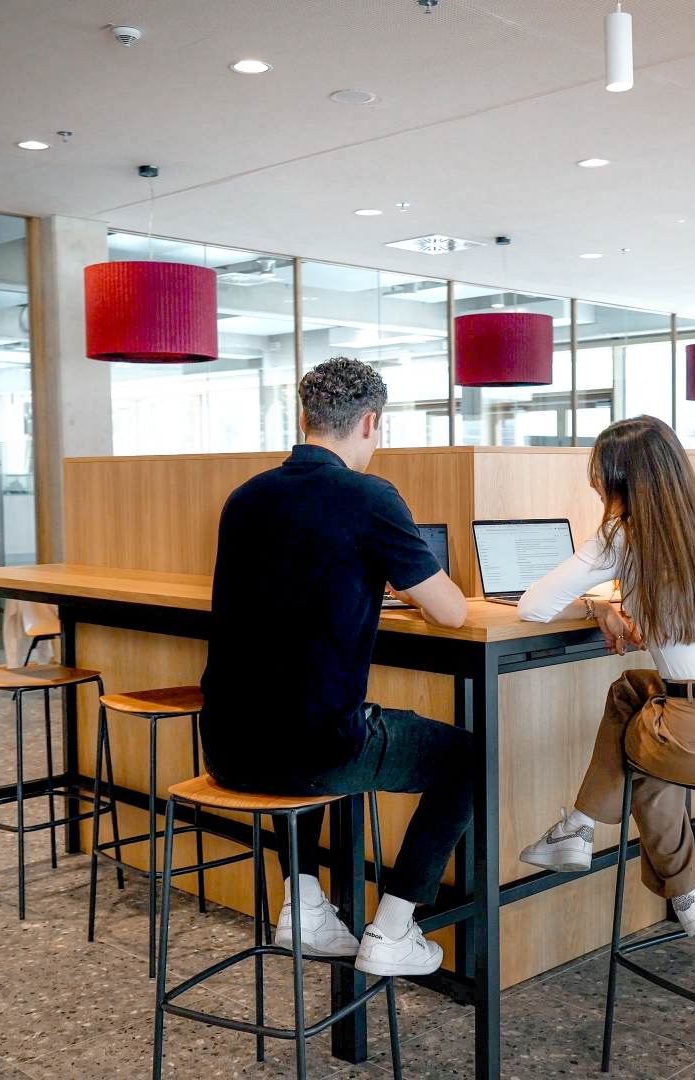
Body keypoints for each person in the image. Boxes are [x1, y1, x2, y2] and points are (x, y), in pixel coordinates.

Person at [199, 358, 471, 977]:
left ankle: (304, 903)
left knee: (298, 709)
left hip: (224, 746)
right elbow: (451, 613)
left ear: (304, 419)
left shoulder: (245, 498)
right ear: (371, 423)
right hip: (313, 754)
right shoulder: (370, 497)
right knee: (466, 758)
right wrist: (401, 581)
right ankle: (395, 929)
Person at [513, 415, 695, 936]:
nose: (591, 480)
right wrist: (607, 603)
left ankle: (675, 886)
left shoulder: (620, 536)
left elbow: (533, 606)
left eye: (596, 469)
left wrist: (597, 607)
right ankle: (578, 830)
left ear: (620, 477)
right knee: (633, 693)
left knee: (646, 748)